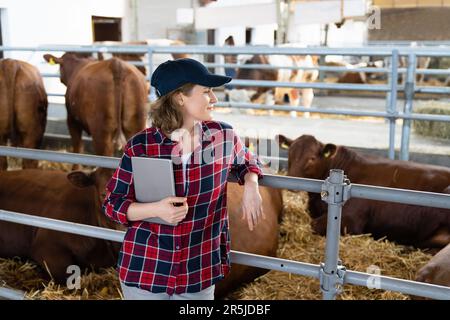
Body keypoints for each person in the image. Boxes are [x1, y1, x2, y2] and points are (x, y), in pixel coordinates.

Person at [102, 58, 265, 300]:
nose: (215, 99)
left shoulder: (224, 136)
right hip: (146, 269)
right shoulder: (140, 145)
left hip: (197, 272)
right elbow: (112, 204)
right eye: (206, 91)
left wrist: (252, 185)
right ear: (180, 97)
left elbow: (250, 161)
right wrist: (154, 209)